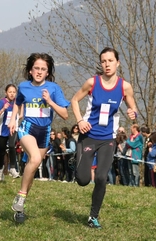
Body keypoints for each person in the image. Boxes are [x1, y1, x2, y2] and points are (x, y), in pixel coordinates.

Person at [71, 47, 137, 229]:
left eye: (110, 60)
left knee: (101, 177)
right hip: (88, 136)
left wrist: (133, 113)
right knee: (83, 180)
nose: (107, 64)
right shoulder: (93, 83)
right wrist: (79, 121)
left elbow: (133, 108)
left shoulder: (125, 86)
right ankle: (76, 162)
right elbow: (74, 100)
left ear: (117, 62)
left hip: (108, 138)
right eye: (103, 61)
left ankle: (93, 216)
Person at [8, 52, 70, 223]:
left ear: (48, 72)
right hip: (28, 128)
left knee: (32, 167)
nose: (39, 72)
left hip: (44, 132)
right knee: (35, 159)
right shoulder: (23, 86)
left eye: (43, 69)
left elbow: (65, 114)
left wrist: (50, 101)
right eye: (36, 68)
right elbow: (17, 103)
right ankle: (20, 196)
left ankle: (21, 207)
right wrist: (13, 119)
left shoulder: (54, 88)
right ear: (30, 70)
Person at [0, 84, 20, 180]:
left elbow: (22, 113)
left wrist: (17, 120)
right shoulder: (2, 102)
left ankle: (12, 168)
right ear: (6, 93)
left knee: (12, 146)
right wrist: (3, 108)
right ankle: (0, 169)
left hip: (13, 128)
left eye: (14, 92)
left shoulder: (17, 102)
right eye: (10, 92)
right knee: (2, 151)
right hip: (2, 130)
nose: (12, 94)